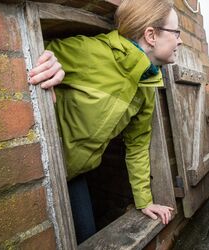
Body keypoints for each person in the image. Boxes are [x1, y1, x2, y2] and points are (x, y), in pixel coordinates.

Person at [28, 0, 181, 243]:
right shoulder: (91, 51)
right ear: (151, 35)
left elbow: (138, 145)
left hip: (77, 175)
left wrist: (144, 201)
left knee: (88, 236)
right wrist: (48, 61)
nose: (180, 40)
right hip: (39, 172)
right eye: (177, 32)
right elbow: (28, 51)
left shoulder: (146, 85)